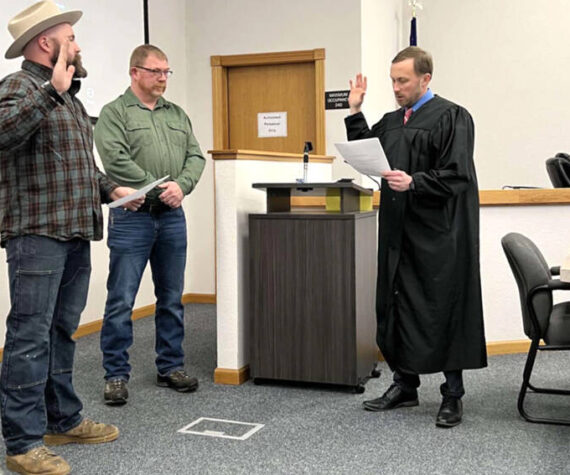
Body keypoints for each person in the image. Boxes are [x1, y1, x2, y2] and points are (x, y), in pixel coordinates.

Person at [0, 1, 143, 473]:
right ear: (47, 43)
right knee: (29, 338)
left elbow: (80, 170)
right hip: (36, 235)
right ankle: (22, 444)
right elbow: (3, 134)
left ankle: (61, 418)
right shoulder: (20, 87)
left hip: (75, 232)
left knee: (62, 331)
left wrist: (113, 188)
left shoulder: (72, 100)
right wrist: (49, 93)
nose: (78, 46)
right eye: (72, 38)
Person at [345, 46, 487, 428]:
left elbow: (458, 175)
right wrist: (355, 112)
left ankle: (452, 394)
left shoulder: (453, 117)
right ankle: (404, 385)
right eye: (392, 80)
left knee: (442, 308)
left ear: (425, 79)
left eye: (402, 80)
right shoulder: (392, 121)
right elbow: (366, 155)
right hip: (397, 231)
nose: (396, 87)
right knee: (397, 305)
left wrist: (415, 181)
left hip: (438, 234)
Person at [94, 44, 206, 406]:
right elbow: (114, 159)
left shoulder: (177, 114)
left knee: (171, 298)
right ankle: (115, 375)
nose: (162, 78)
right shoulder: (114, 114)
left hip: (172, 218)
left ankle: (170, 366)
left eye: (166, 72)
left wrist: (182, 185)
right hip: (132, 219)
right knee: (121, 300)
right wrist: (160, 187)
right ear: (135, 73)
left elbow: (195, 155)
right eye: (156, 71)